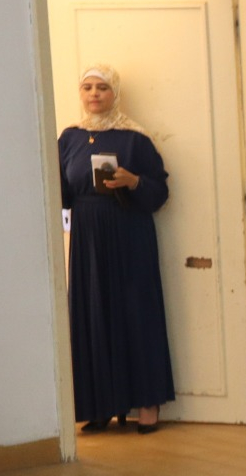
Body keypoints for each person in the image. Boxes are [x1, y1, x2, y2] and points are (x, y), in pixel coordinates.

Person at [58, 64, 173, 434]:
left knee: (136, 313)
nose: (94, 94)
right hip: (87, 237)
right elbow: (61, 191)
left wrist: (134, 181)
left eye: (102, 87)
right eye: (88, 87)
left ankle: (148, 403)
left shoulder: (135, 138)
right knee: (93, 314)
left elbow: (160, 193)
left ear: (115, 93)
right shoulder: (70, 138)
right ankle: (100, 405)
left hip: (128, 235)